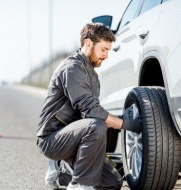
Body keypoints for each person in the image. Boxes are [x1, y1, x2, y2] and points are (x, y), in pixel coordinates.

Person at [37, 23, 141, 190]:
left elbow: (91, 114)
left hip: (74, 137)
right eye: (103, 49)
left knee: (113, 183)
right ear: (88, 43)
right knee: (96, 126)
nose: (106, 55)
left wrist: (121, 120)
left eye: (108, 50)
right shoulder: (72, 68)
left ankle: (60, 176)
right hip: (52, 138)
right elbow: (91, 111)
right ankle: (80, 184)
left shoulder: (92, 74)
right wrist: (124, 123)